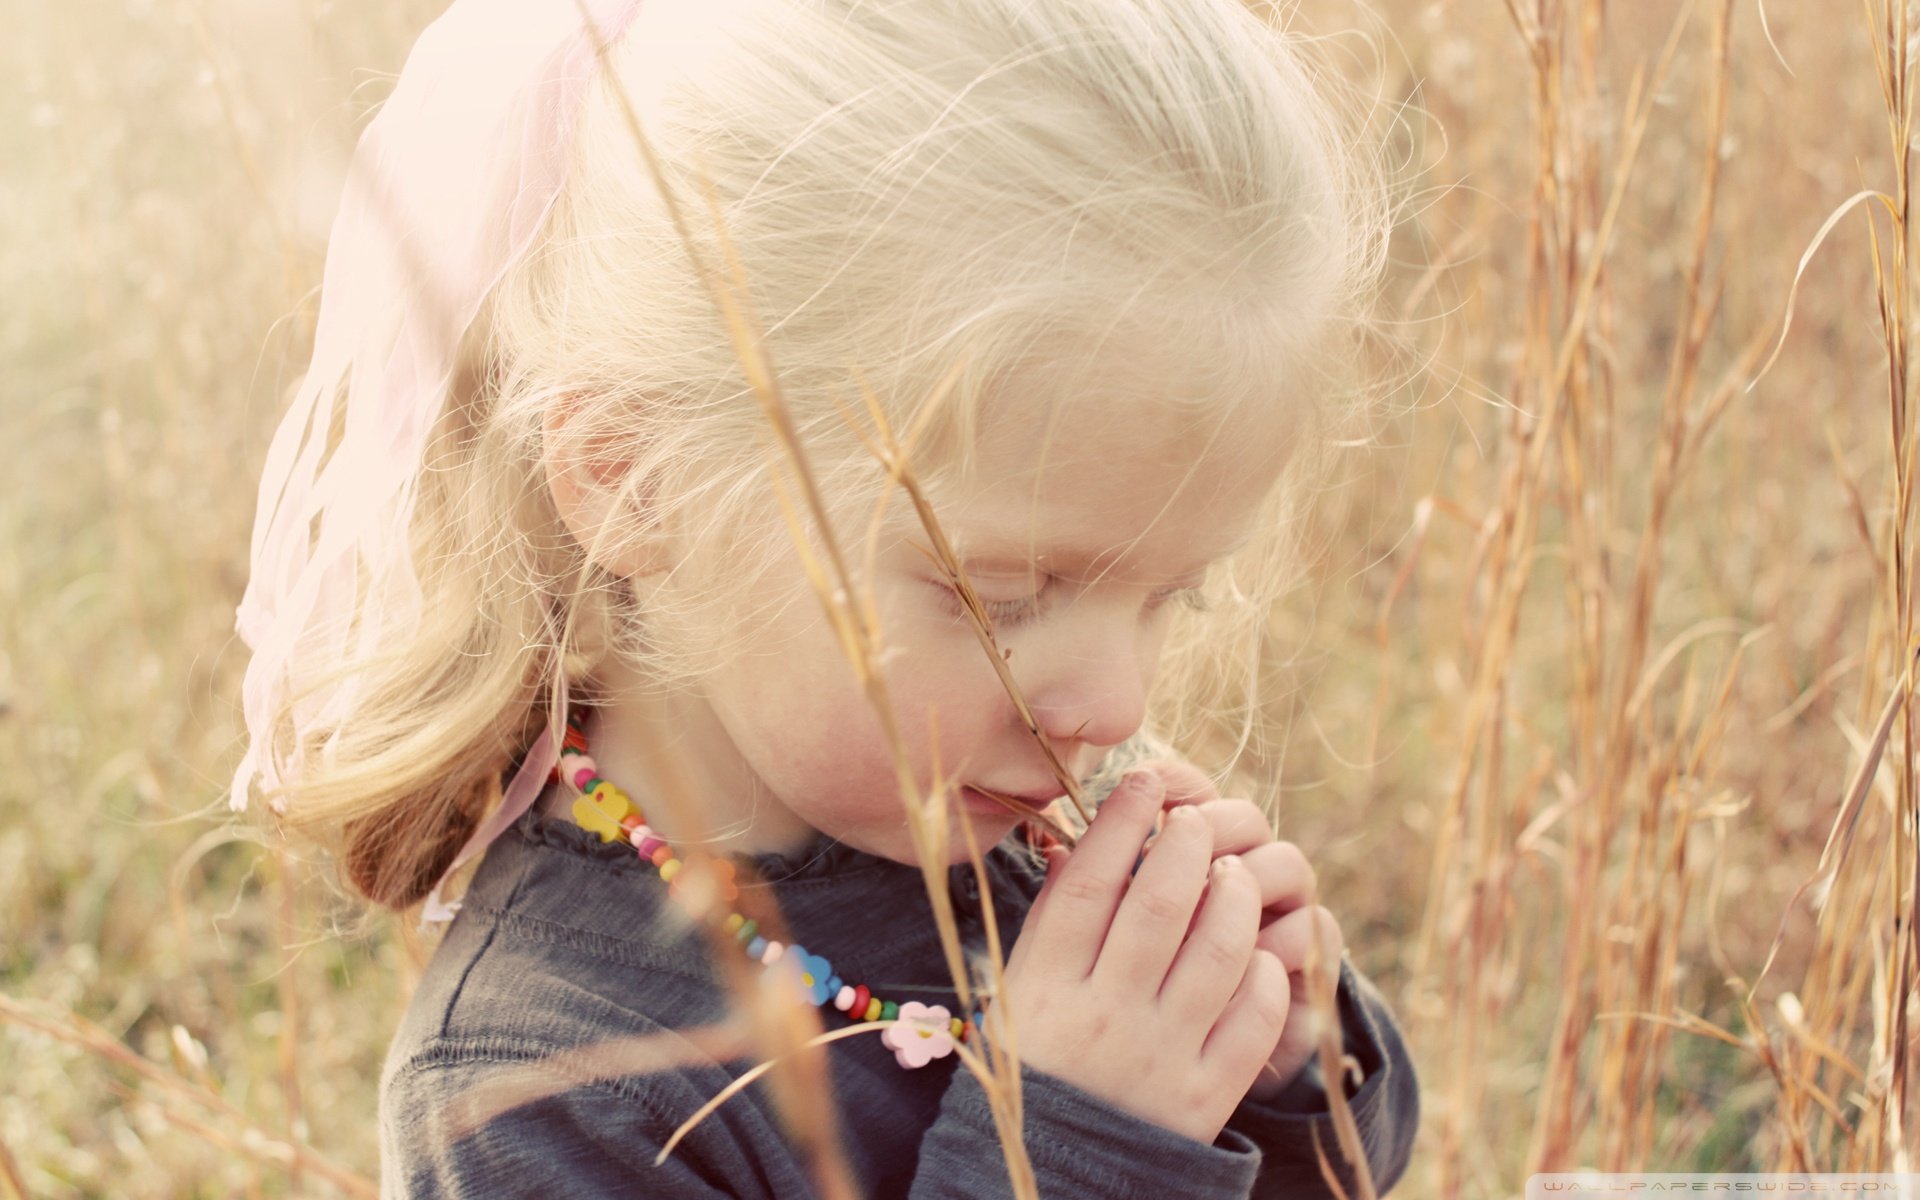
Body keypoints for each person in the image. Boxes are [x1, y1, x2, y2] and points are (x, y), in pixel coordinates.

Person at [229, 0, 1421, 1194]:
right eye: (1000, 594)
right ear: (636, 481)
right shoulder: (537, 1096)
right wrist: (1077, 1145)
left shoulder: (1002, 837)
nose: (1114, 704)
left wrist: (1285, 1065)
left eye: (1177, 595)